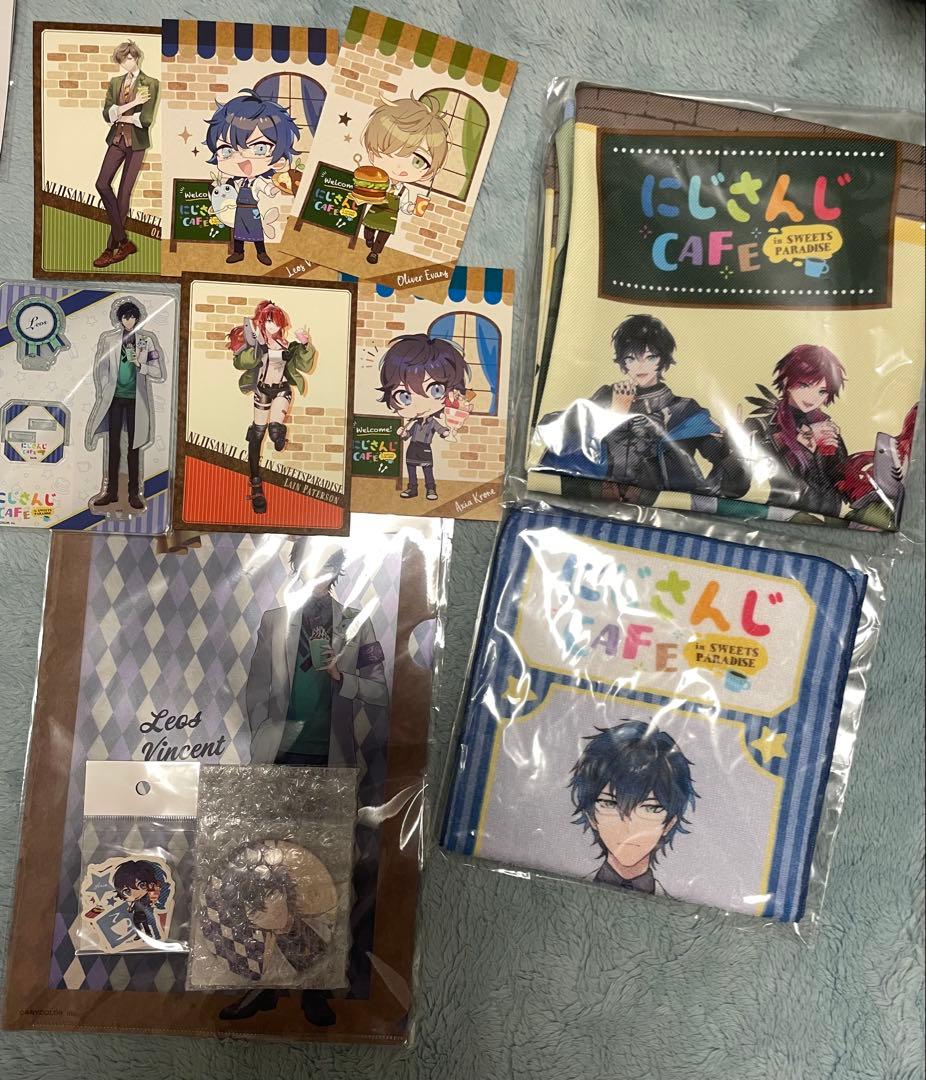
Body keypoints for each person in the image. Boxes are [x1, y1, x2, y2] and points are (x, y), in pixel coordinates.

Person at [218, 542, 390, 1026]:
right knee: (267, 875)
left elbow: (380, 691)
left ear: (337, 571)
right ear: (294, 567)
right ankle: (264, 984)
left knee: (326, 877)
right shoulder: (275, 621)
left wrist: (341, 677)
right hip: (278, 761)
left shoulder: (356, 621)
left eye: (326, 568)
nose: (316, 577)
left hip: (332, 763)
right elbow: (256, 687)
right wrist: (263, 738)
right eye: (306, 567)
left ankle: (315, 984)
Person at [536, 314, 749, 505]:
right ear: (623, 363)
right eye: (631, 358)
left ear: (663, 360)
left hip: (667, 509)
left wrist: (734, 448)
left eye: (650, 357)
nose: (640, 366)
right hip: (590, 501)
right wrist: (613, 415)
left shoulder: (684, 410)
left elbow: (734, 485)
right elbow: (550, 431)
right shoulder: (607, 396)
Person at [569, 722, 697, 896]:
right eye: (610, 804)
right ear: (592, 816)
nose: (628, 827)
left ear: (669, 823)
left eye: (650, 808)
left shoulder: (677, 906)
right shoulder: (567, 893)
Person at [228, 299, 316, 514]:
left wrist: (305, 345)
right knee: (257, 433)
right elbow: (241, 363)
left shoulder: (288, 346)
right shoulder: (257, 344)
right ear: (262, 322)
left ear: (281, 324)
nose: (272, 326)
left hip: (282, 389)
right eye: (268, 321)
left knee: (275, 430)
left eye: (275, 322)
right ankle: (255, 482)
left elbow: (304, 365)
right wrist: (254, 346)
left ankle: (279, 436)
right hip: (262, 390)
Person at [744, 343, 848, 518]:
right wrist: (806, 439)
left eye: (822, 391)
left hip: (828, 521)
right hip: (775, 518)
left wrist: (837, 455)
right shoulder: (761, 427)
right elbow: (760, 480)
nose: (812, 397)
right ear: (787, 381)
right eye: (804, 385)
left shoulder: (826, 426)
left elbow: (839, 484)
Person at [85, 298, 164, 511]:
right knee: (113, 447)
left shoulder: (146, 341)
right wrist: (105, 389)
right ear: (120, 319)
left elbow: (158, 372)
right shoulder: (110, 340)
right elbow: (102, 367)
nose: (128, 321)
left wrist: (140, 364)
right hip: (115, 399)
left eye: (132, 317)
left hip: (136, 400)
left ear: (137, 319)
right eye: (125, 317)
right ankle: (111, 492)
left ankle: (134, 494)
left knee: (134, 447)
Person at [205, 90, 299, 266]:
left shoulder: (258, 181)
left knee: (256, 232)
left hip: (253, 210)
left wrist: (277, 187)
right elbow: (224, 192)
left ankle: (261, 253)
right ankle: (238, 252)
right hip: (238, 210)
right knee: (238, 232)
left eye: (259, 148)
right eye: (227, 150)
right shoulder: (234, 181)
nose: (242, 159)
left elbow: (268, 189)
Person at [377, 333, 471, 501]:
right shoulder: (413, 422)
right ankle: (412, 488)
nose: (419, 406)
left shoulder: (432, 422)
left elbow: (442, 431)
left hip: (425, 448)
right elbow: (406, 435)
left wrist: (451, 432)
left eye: (436, 390)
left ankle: (431, 489)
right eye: (404, 396)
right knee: (411, 469)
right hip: (412, 448)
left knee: (427, 470)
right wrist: (402, 433)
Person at [359, 94, 450, 264]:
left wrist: (412, 207)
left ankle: (375, 253)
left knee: (383, 236)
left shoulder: (403, 190)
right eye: (388, 151)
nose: (400, 168)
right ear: (372, 152)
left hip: (390, 218)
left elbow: (404, 205)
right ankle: (369, 240)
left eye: (417, 161)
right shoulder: (378, 180)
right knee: (368, 229)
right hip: (374, 212)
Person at [92, 41, 159, 269]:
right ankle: (123, 241)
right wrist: (133, 104)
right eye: (122, 60)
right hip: (117, 140)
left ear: (137, 57)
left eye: (129, 59)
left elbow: (145, 120)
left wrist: (120, 115)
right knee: (102, 184)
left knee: (124, 193)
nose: (127, 64)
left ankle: (110, 249)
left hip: (137, 145)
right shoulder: (115, 83)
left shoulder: (150, 83)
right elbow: (106, 114)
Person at [112, 859, 166, 940]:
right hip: (136, 914)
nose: (135, 894)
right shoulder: (135, 901)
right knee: (137, 924)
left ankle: (148, 933)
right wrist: (131, 908)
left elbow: (148, 903)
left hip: (143, 914)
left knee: (145, 924)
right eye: (127, 891)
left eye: (142, 885)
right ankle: (140, 934)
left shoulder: (146, 898)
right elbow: (134, 906)